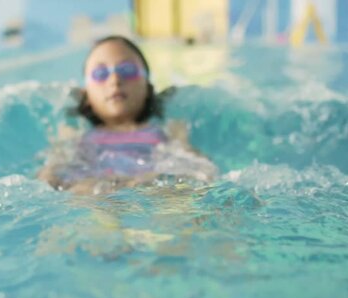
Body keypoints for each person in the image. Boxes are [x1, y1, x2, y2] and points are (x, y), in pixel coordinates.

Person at [38, 35, 217, 194]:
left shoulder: (171, 130)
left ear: (147, 86)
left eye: (127, 70)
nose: (115, 80)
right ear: (86, 95)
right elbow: (47, 181)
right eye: (100, 74)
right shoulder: (73, 133)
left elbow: (201, 172)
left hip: (152, 189)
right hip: (93, 192)